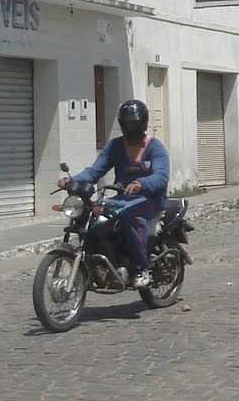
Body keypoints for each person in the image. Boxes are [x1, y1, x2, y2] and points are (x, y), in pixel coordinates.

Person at [58, 99, 169, 288]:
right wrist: (72, 180)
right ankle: (97, 261)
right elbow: (95, 171)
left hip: (150, 198)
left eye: (134, 123)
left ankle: (141, 268)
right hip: (123, 197)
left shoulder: (155, 147)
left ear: (143, 123)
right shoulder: (115, 146)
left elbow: (161, 176)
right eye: (127, 124)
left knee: (131, 216)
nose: (131, 127)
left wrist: (141, 183)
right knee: (94, 214)